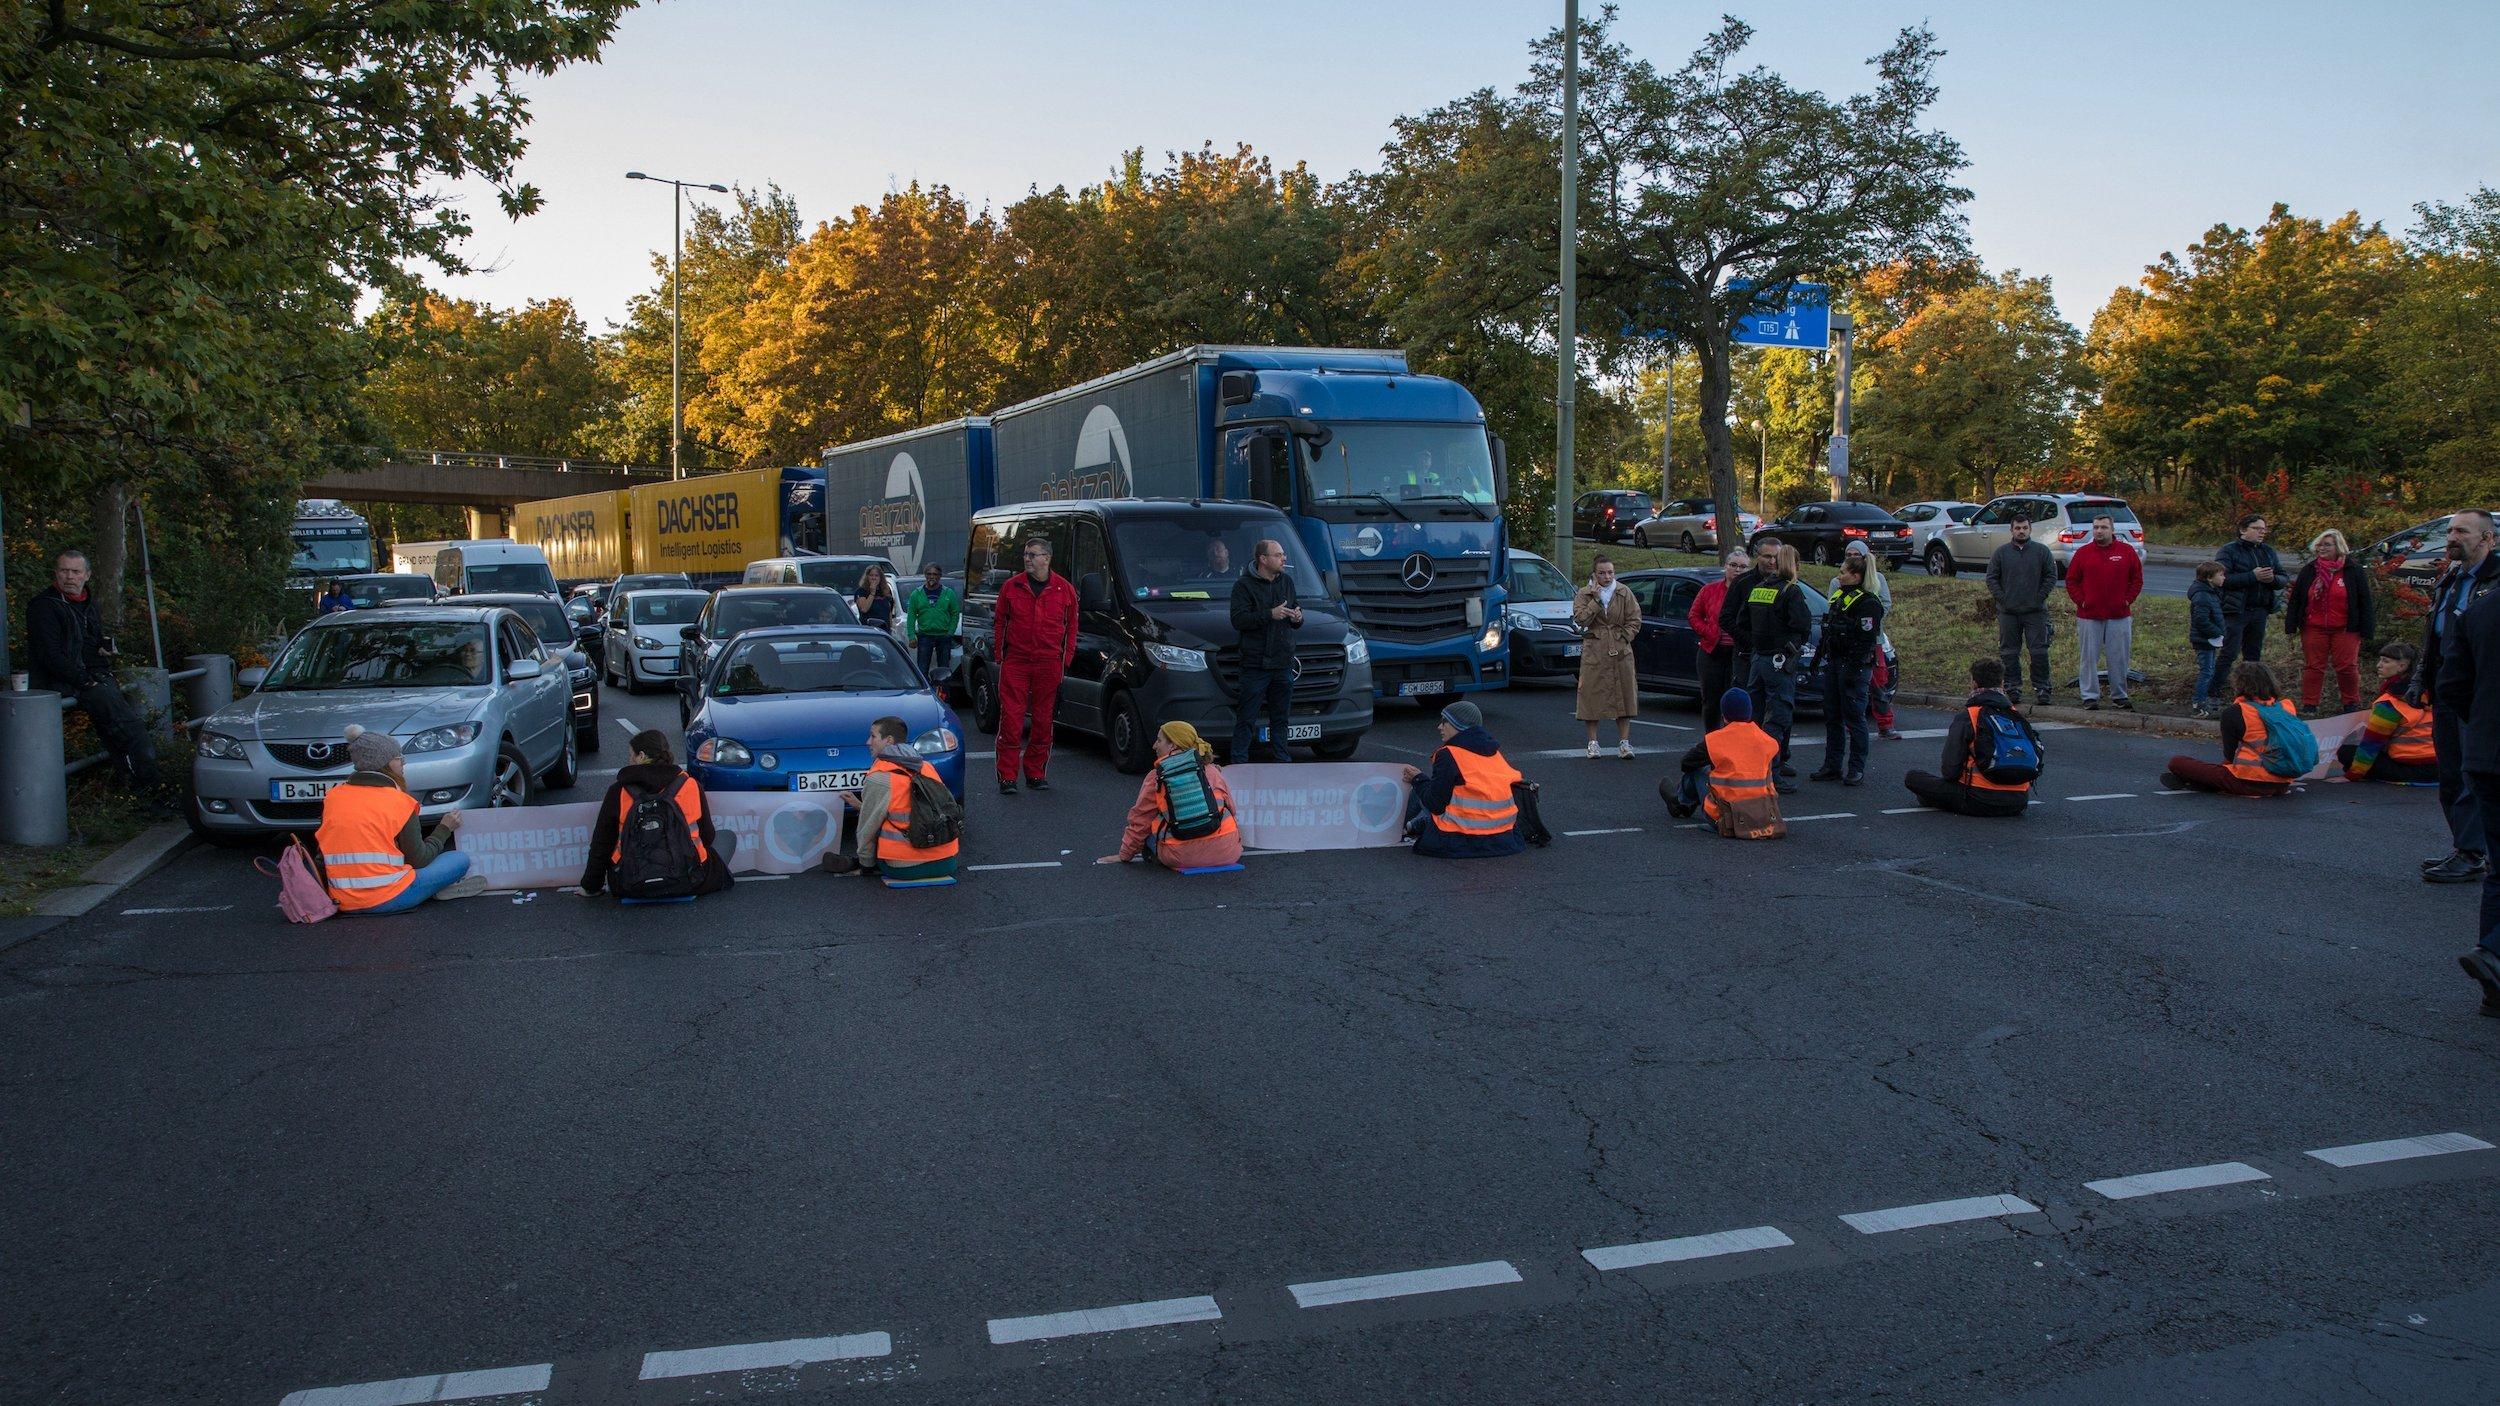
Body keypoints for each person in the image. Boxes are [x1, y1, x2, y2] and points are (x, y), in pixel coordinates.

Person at [2429, 536, 2500, 1015]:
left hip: (2486, 755)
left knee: (2499, 872)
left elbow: (2450, 684)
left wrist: (2482, 727)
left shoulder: (2480, 610)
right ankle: (2493, 953)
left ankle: (2494, 988)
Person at [24, 548, 161, 792]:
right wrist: (86, 681)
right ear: (56, 573)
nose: (69, 577)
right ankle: (148, 787)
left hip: (93, 675)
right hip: (64, 681)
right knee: (129, 728)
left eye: (75, 572)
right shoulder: (44, 607)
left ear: (87, 575)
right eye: (64, 571)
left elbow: (85, 643)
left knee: (123, 728)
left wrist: (103, 648)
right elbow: (50, 656)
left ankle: (134, 786)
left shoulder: (89, 603)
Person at [2418, 511, 2500, 884]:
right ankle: (2464, 846)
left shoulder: (2494, 582)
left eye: (2462, 531)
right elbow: (2434, 636)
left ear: (2488, 539)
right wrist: (2421, 680)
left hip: (2479, 692)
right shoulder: (2451, 578)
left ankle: (2472, 851)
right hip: (2445, 685)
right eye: (2450, 530)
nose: (2452, 537)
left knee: (2472, 774)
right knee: (2450, 772)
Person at [315, 725, 477, 913]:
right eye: (399, 758)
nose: (403, 763)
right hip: (391, 897)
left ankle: (433, 889)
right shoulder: (399, 801)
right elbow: (419, 860)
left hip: (342, 901)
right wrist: (444, 829)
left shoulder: (333, 797)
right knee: (459, 859)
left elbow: (321, 859)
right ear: (386, 763)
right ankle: (434, 889)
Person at [580, 730, 734, 899]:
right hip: (689, 880)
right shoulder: (690, 785)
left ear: (641, 756)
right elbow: (707, 835)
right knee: (726, 838)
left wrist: (591, 887)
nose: (629, 760)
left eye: (631, 755)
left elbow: (602, 843)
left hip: (630, 885)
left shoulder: (618, 791)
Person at [1719, 536, 1809, 791]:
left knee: (1754, 715)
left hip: (1758, 659)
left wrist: (1756, 643)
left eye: (1774, 557)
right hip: (1776, 660)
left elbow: (1742, 620)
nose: (1770, 561)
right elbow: (1802, 625)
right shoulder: (1789, 590)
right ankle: (1771, 772)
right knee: (1777, 716)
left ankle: (1753, 767)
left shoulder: (1759, 589)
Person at [992, 537, 1077, 794]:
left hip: (1048, 663)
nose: (1027, 559)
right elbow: (1000, 622)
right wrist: (1000, 656)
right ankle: (1008, 777)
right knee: (1011, 721)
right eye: (1025, 554)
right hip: (1016, 662)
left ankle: (1036, 773)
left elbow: (1072, 627)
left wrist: (1066, 660)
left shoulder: (1064, 589)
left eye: (1032, 554)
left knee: (1043, 721)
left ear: (1047, 558)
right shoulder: (1012, 586)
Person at [1097, 721, 1243, 870]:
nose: (1154, 745)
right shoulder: (1213, 771)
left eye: (1159, 740)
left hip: (1180, 857)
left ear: (1173, 745)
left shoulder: (1157, 776)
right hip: (1227, 853)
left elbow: (1141, 820)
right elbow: (1231, 809)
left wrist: (1124, 855)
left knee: (1152, 826)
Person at [1902, 658, 2032, 818]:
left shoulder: (1969, 716)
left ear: (1974, 683)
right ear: (2002, 684)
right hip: (2019, 800)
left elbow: (1950, 771)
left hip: (1979, 798)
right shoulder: (2016, 715)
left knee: (1914, 777)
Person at [1400, 701, 1526, 858]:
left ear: (1457, 725)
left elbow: (1435, 804)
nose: (1439, 727)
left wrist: (1417, 779)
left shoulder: (1449, 754)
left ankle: (1393, 829)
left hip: (1460, 840)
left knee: (1420, 785)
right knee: (1450, 792)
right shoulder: (1495, 753)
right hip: (1503, 838)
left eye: (1444, 721)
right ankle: (1415, 825)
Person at [846, 715, 961, 882]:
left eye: (873, 736)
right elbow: (914, 807)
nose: (868, 742)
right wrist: (860, 805)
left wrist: (865, 864)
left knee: (877, 829)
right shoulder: (926, 767)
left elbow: (868, 827)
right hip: (947, 861)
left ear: (888, 740)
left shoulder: (880, 776)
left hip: (905, 867)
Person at [2160, 662, 2297, 797]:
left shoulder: (2235, 712)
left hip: (2249, 781)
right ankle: (2201, 783)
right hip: (2283, 782)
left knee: (2177, 762)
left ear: (2239, 684)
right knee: (2219, 771)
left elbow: (2230, 755)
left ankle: (2196, 782)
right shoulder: (2287, 707)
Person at [1662, 687, 1782, 838]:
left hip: (1728, 817)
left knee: (1700, 770)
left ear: (1724, 716)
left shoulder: (1716, 740)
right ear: (1749, 712)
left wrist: (1716, 766)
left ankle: (1681, 802)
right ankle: (1682, 803)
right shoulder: (1767, 740)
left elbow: (1686, 763)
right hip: (1764, 813)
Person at [1227, 537, 1302, 764]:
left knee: (1281, 717)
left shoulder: (1286, 581)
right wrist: (1269, 614)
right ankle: (1239, 763)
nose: (1284, 559)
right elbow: (1239, 620)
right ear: (1263, 559)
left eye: (1283, 554)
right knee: (1246, 717)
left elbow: (1294, 611)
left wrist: (1297, 617)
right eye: (1278, 555)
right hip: (1255, 664)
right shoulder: (1243, 585)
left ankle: (1282, 760)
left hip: (1282, 662)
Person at [2285, 528, 2374, 714]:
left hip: (2346, 628)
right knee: (2313, 667)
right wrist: (2291, 624)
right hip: (2314, 627)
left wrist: (2367, 628)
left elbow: (2364, 600)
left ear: (2338, 547)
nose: (2322, 548)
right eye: (2319, 544)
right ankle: (2310, 704)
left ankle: (2350, 703)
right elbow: (2297, 599)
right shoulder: (2310, 570)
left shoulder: (2353, 570)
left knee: (2347, 667)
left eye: (2327, 545)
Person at [1812, 559, 1883, 786]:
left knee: (1854, 716)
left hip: (1854, 666)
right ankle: (1832, 765)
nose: (1839, 576)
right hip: (1835, 662)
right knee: (1832, 715)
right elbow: (1829, 631)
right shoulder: (1839, 597)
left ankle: (1856, 768)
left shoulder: (1868, 603)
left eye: (1843, 572)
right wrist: (1817, 658)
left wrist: (1853, 669)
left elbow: (1865, 640)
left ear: (1856, 576)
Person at [2065, 514, 2142, 711]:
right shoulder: (2083, 553)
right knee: (2088, 658)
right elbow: (2071, 580)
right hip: (2089, 616)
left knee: (2119, 657)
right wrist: (2082, 601)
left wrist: (2127, 600)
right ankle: (2089, 696)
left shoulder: (2126, 552)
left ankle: (2119, 695)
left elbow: (2136, 579)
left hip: (2119, 615)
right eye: (2096, 527)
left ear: (2112, 530)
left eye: (2104, 527)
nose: (2099, 531)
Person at [1573, 554, 1641, 758]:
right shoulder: (1584, 594)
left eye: (1610, 572)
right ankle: (1593, 743)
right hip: (1595, 649)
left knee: (1624, 693)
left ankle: (1624, 743)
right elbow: (1581, 619)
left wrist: (1624, 637)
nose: (1607, 577)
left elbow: (1635, 619)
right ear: (1594, 574)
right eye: (1602, 573)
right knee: (1591, 694)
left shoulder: (1623, 592)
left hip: (1620, 649)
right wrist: (1595, 600)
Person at [2340, 643, 2437, 784]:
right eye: (2380, 660)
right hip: (2440, 766)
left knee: (2346, 753)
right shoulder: (2428, 694)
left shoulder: (2389, 703)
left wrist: (2351, 776)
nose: (2378, 665)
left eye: (2385, 661)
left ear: (2402, 666)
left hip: (2411, 767)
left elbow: (2371, 744)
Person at [1986, 514, 2056, 705]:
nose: (2021, 531)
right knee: (2009, 652)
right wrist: (2003, 599)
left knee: (2039, 651)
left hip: (2035, 612)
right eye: (2017, 528)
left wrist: (2039, 597)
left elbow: (2051, 576)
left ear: (2030, 529)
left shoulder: (2042, 551)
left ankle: (2042, 688)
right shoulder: (2001, 553)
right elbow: (1991, 578)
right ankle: (2012, 688)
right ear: (2012, 530)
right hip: (2008, 612)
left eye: (2025, 528)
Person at [1843, 540, 1903, 742]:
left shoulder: (1877, 579)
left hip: (1873, 640)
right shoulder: (1839, 580)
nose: (1852, 558)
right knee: (1851, 684)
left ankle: (1886, 725)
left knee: (1878, 683)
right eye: (1849, 555)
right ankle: (1850, 725)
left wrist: (1871, 619)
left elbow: (1885, 603)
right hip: (1849, 641)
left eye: (1856, 555)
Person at [1689, 552, 1745, 731]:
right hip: (1712, 651)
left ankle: (1732, 740)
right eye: (1733, 565)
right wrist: (1709, 633)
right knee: (1711, 701)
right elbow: (1694, 616)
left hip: (1739, 653)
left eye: (1743, 566)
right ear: (1725, 566)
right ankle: (1711, 740)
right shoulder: (1709, 590)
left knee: (1735, 700)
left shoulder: (1750, 591)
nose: (1738, 569)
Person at [2216, 514, 2283, 665]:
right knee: (2229, 653)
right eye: (2257, 528)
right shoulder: (2228, 551)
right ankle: (2216, 681)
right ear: (2243, 530)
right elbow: (2222, 580)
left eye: (2264, 529)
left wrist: (2273, 579)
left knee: (2253, 655)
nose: (2262, 532)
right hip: (2236, 610)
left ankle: (2249, 681)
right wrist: (2253, 576)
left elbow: (2282, 577)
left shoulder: (2268, 551)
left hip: (2260, 610)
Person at [904, 562, 962, 682]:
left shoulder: (948, 593)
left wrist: (951, 632)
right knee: (922, 669)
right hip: (925, 636)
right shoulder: (916, 594)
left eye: (935, 574)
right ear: (925, 575)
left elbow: (955, 613)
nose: (932, 577)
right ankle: (925, 692)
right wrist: (911, 635)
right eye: (929, 574)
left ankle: (943, 692)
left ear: (940, 576)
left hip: (944, 636)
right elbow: (911, 616)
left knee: (944, 671)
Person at [2188, 562, 2229, 718]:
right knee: (2206, 671)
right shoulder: (2203, 596)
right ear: (2209, 578)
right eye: (2221, 575)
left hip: (2209, 639)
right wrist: (2217, 632)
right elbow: (2201, 619)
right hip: (2204, 639)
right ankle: (2199, 703)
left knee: (2209, 671)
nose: (2224, 578)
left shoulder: (2211, 593)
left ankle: (2201, 702)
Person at [853, 563, 898, 635]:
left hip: (885, 630)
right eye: (871, 575)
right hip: (869, 630)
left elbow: (889, 611)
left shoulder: (885, 591)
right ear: (867, 577)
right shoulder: (861, 591)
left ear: (880, 578)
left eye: (876, 575)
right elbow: (864, 609)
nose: (874, 578)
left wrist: (890, 627)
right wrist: (872, 593)